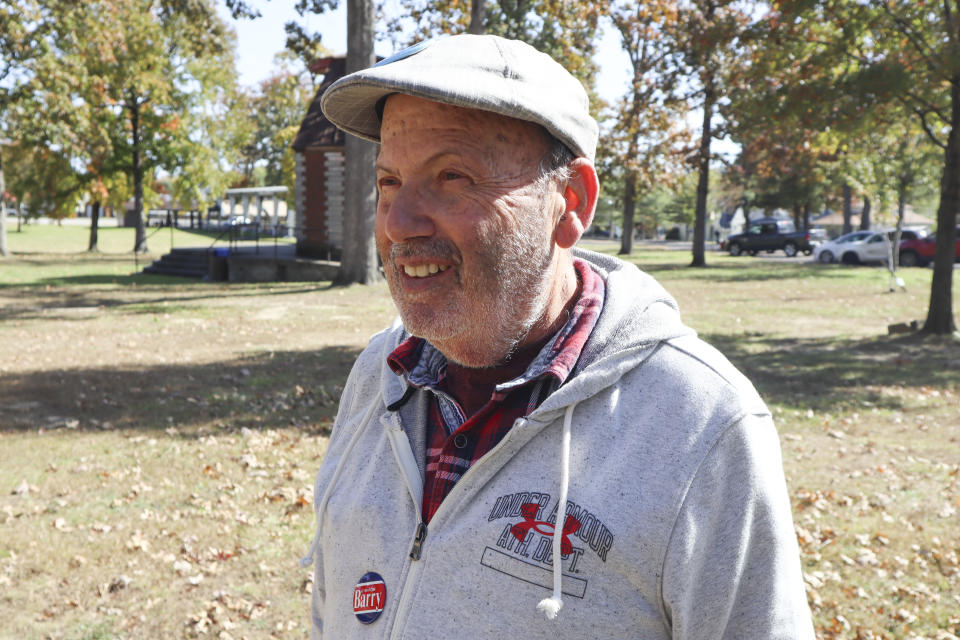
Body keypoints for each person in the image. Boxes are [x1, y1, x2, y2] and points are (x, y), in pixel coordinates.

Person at [302, 34, 815, 639]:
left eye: (452, 176)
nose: (399, 222)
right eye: (389, 181)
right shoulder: (379, 373)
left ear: (569, 203)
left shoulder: (700, 424)